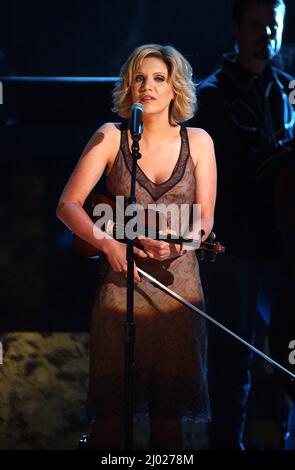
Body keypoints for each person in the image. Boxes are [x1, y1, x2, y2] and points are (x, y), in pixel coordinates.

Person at [56, 43, 217, 449]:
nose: (148, 86)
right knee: (111, 415)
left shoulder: (198, 141)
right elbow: (67, 206)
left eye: (159, 78)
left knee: (169, 419)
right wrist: (107, 244)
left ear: (175, 88)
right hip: (119, 291)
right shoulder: (110, 136)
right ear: (128, 86)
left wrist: (179, 245)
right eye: (139, 78)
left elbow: (205, 219)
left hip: (179, 294)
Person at [194, 0, 295, 449]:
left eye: (272, 24)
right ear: (237, 28)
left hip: (281, 247)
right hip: (233, 244)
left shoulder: (287, 88)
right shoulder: (213, 94)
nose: (266, 34)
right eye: (256, 24)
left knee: (285, 348)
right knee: (231, 359)